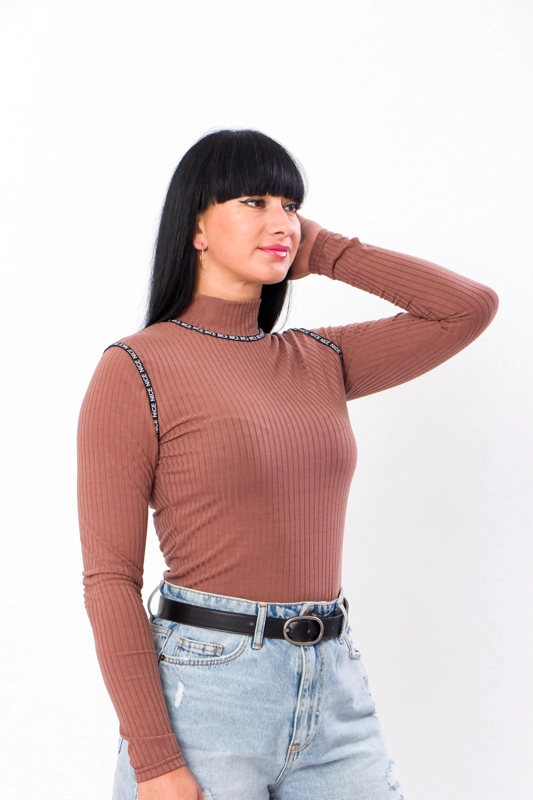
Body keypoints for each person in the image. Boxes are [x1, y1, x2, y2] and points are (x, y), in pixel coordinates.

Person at [77, 129, 498, 800]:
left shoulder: (319, 360)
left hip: (335, 688)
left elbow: (466, 309)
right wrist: (154, 759)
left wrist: (326, 250)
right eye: (254, 202)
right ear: (196, 228)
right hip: (206, 696)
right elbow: (110, 579)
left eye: (290, 206)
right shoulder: (136, 368)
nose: (282, 223)